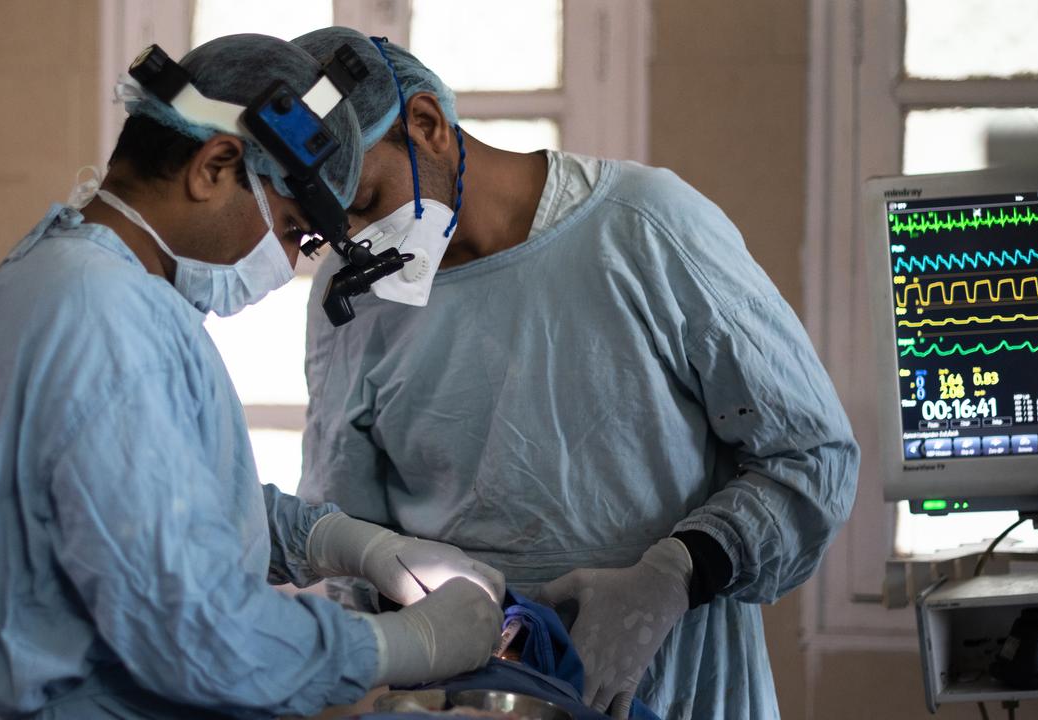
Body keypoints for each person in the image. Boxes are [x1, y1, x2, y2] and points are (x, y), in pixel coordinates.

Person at [295, 28, 860, 720]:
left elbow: (809, 457)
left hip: (674, 686)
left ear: (427, 124)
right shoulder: (352, 298)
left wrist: (674, 575)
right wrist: (419, 634)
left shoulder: (645, 227)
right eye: (331, 227)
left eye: (365, 200)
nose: (359, 241)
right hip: (471, 697)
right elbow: (344, 527)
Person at [0, 34, 505, 720]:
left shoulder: (57, 278)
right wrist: (404, 644)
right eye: (294, 230)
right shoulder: (106, 317)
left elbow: (149, 505)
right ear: (215, 165)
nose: (289, 261)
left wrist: (332, 541)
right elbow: (194, 634)